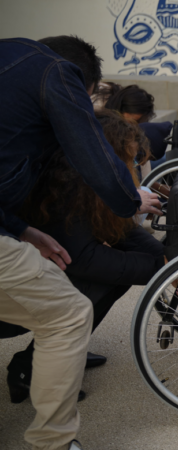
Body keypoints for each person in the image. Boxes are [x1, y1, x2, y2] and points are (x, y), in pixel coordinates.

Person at [0, 35, 160, 450]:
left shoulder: (12, 56)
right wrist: (129, 200)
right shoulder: (55, 73)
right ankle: (52, 441)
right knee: (69, 315)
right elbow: (90, 152)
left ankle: (54, 360)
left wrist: (20, 229)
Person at [7, 110, 166, 404]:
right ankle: (27, 369)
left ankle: (64, 352)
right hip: (16, 296)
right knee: (104, 278)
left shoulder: (83, 180)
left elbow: (120, 232)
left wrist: (162, 258)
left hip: (48, 270)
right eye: (127, 160)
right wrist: (159, 269)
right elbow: (83, 259)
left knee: (116, 277)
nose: (132, 168)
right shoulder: (64, 189)